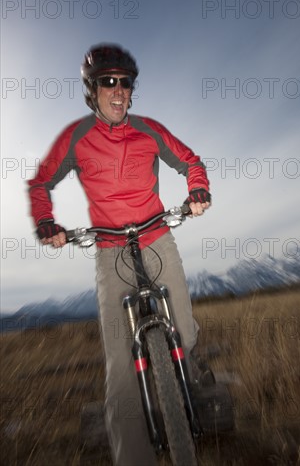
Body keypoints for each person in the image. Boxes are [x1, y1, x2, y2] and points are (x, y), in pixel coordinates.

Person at [28, 43, 211, 465]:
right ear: (92, 91)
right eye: (107, 82)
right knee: (120, 371)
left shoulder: (148, 130)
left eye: (125, 83)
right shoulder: (76, 138)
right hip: (110, 251)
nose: (118, 90)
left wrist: (197, 188)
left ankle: (183, 366)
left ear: (131, 90)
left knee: (183, 326)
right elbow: (40, 183)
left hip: (156, 237)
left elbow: (189, 160)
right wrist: (46, 222)